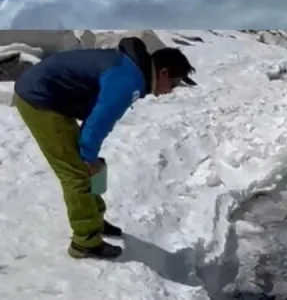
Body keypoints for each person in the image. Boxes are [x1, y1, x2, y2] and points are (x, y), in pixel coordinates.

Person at [12, 36, 196, 260]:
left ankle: (94, 219)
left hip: (53, 98)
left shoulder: (131, 72)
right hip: (38, 99)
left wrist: (91, 156)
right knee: (77, 173)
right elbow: (100, 121)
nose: (172, 90)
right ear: (163, 73)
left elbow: (97, 115)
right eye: (174, 83)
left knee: (93, 165)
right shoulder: (128, 80)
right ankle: (85, 241)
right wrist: (88, 156)